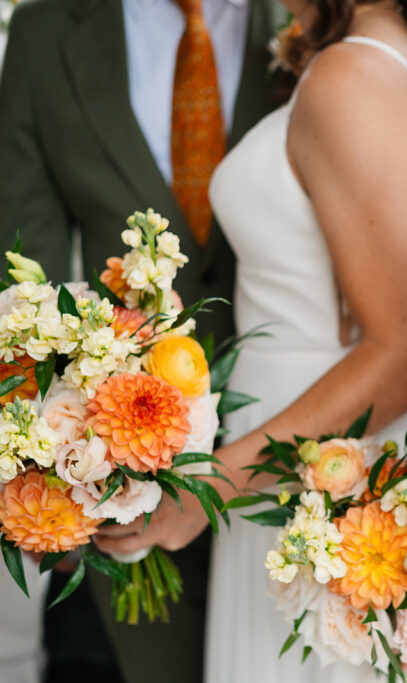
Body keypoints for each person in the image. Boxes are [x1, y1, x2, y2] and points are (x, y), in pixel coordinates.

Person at [91, 1, 407, 680]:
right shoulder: (359, 54)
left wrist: (212, 487)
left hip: (330, 476)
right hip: (294, 453)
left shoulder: (356, 75)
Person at [0, 0, 287, 680]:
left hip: (292, 457)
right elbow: (20, 286)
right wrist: (54, 486)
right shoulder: (47, 35)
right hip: (110, 487)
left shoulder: (315, 22)